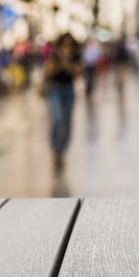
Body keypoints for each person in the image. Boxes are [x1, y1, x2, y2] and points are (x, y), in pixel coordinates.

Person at [43, 33, 83, 173]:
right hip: (55, 90)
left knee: (67, 123)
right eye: (64, 44)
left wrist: (69, 66)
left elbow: (79, 73)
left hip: (69, 90)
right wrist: (59, 65)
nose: (67, 47)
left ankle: (62, 152)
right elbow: (47, 72)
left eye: (70, 44)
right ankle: (55, 151)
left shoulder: (76, 56)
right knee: (57, 119)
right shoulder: (54, 55)